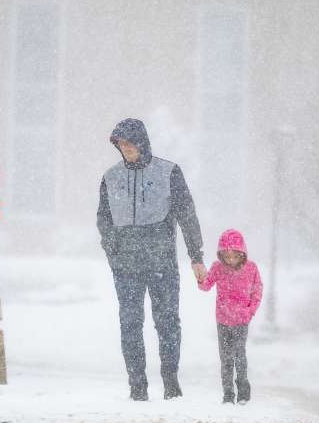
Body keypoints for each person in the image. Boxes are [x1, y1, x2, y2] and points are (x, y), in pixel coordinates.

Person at [96, 118, 207, 401]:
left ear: (142, 143)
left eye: (130, 143)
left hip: (162, 264)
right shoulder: (110, 178)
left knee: (167, 322)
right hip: (126, 267)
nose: (126, 148)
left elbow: (187, 215)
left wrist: (196, 256)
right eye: (121, 144)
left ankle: (171, 381)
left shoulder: (169, 172)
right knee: (130, 323)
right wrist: (112, 249)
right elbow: (104, 219)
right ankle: (137, 385)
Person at [197, 228, 262, 404]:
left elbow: (257, 292)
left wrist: (250, 312)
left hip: (241, 321)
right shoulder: (217, 268)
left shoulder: (251, 269)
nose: (231, 260)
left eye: (234, 256)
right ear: (221, 255)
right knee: (225, 359)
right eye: (227, 256)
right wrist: (201, 277)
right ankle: (227, 394)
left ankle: (243, 390)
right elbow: (205, 286)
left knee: (239, 355)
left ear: (242, 253)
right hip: (223, 320)